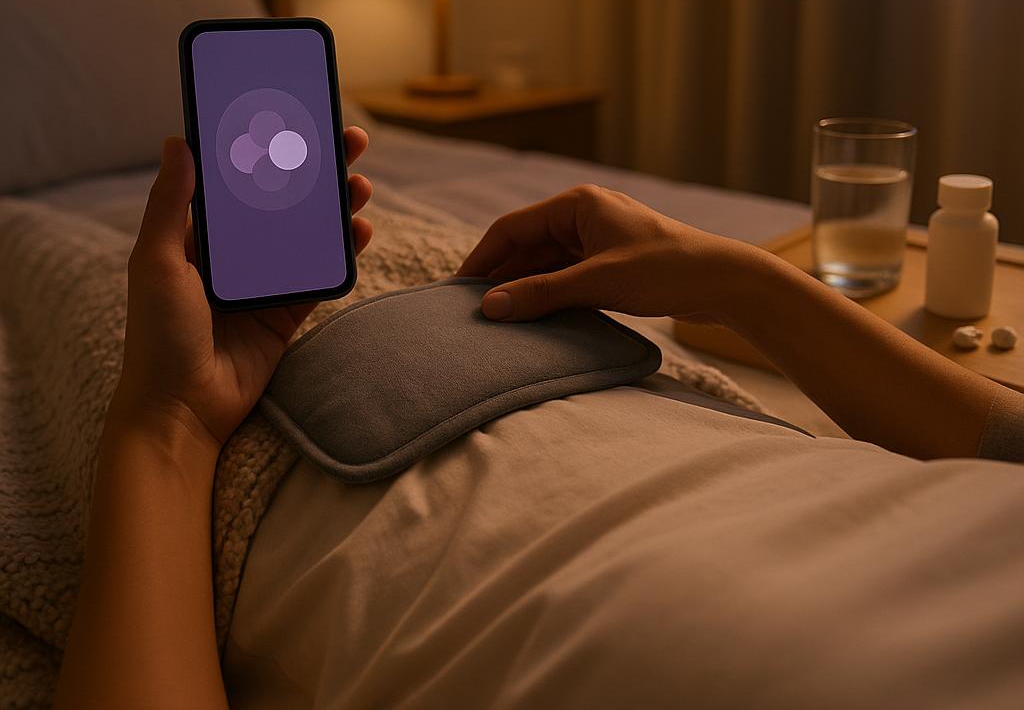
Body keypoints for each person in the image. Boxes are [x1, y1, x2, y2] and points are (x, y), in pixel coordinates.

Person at [55, 140, 1024, 708]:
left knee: (46, 249)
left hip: (290, 464)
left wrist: (169, 420)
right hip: (623, 385)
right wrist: (735, 280)